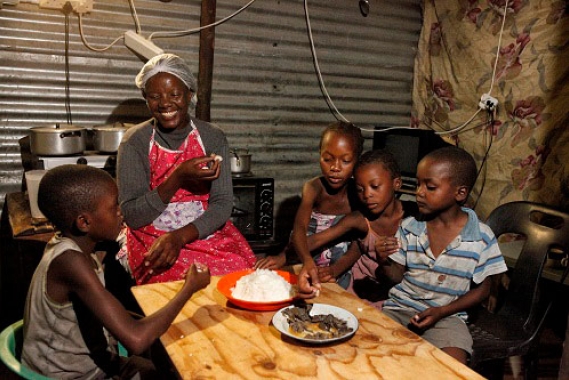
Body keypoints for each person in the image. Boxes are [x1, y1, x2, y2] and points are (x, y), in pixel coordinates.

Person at [21, 164, 211, 379]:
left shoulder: (80, 250)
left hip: (92, 363)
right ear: (84, 222)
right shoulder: (70, 262)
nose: (121, 212)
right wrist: (189, 288)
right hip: (67, 376)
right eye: (114, 207)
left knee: (159, 363)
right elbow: (136, 340)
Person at [117, 53, 256, 285]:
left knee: (238, 281)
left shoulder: (212, 136)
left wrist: (179, 237)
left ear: (189, 95)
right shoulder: (135, 142)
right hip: (152, 235)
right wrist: (178, 176)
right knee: (174, 290)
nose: (164, 103)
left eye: (175, 94)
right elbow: (132, 215)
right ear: (145, 98)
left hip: (201, 230)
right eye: (154, 96)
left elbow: (222, 205)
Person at [378, 146, 508, 364]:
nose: (419, 192)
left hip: (447, 318)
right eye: (418, 184)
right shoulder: (410, 227)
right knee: (371, 351)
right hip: (399, 310)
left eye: (430, 187)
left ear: (460, 193)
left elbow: (484, 289)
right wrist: (382, 259)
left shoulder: (481, 237)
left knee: (452, 366)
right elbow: (396, 276)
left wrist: (442, 311)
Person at [301, 149, 418, 308]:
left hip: (395, 298)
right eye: (360, 189)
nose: (367, 195)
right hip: (357, 291)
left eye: (375, 186)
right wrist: (282, 257)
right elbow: (325, 241)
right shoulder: (360, 218)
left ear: (396, 184)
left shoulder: (415, 218)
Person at [255, 121, 363, 289]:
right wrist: (300, 259)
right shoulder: (314, 188)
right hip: (302, 258)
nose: (335, 167)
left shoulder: (359, 194)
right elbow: (299, 228)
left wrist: (334, 270)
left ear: (357, 161)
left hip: (339, 269)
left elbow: (359, 245)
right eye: (327, 159)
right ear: (319, 155)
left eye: (346, 161)